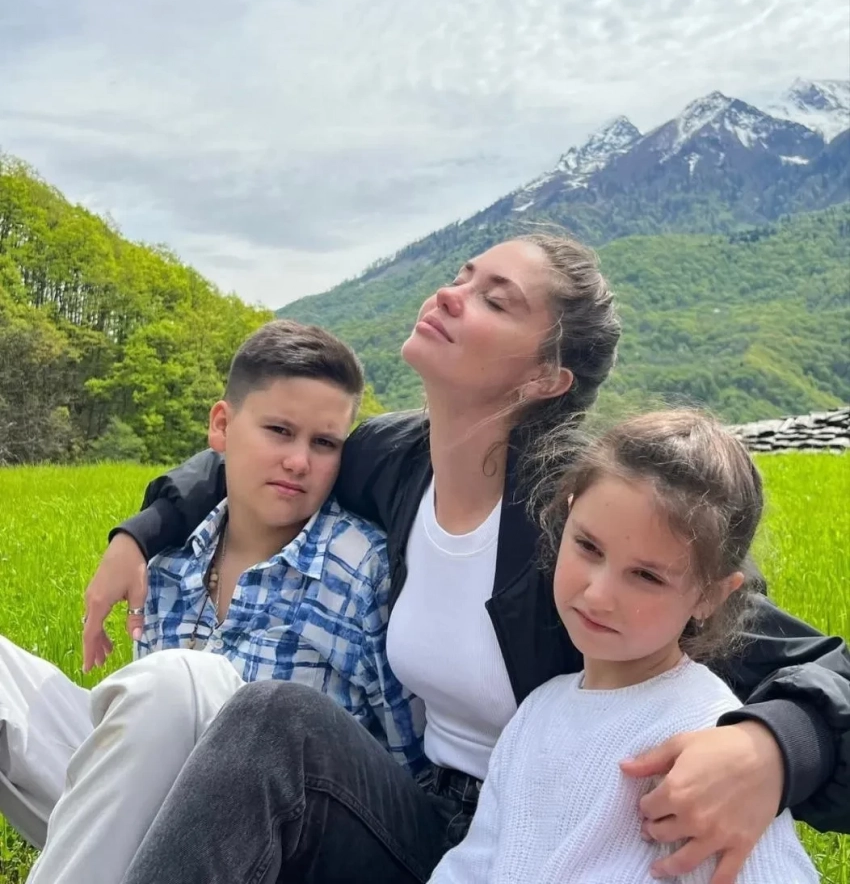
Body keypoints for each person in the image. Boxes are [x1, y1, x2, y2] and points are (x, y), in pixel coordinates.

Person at [86, 234, 849, 884]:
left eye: (495, 300)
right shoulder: (391, 459)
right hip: (423, 825)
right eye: (462, 276)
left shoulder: (587, 520)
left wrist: (772, 748)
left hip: (556, 836)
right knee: (267, 721)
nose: (450, 296)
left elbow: (813, 663)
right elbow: (271, 456)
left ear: (545, 378)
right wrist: (144, 530)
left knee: (269, 720)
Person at [0, 320, 423, 884]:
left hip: (273, 846)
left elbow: (410, 771)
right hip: (145, 819)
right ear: (222, 425)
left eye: (324, 443)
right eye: (279, 431)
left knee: (180, 679)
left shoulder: (361, 572)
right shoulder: (168, 561)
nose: (299, 461)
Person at [426, 410, 818, 883]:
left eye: (647, 576)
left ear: (710, 596)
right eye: (588, 547)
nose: (597, 595)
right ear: (567, 512)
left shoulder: (704, 740)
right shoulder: (538, 710)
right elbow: (473, 865)